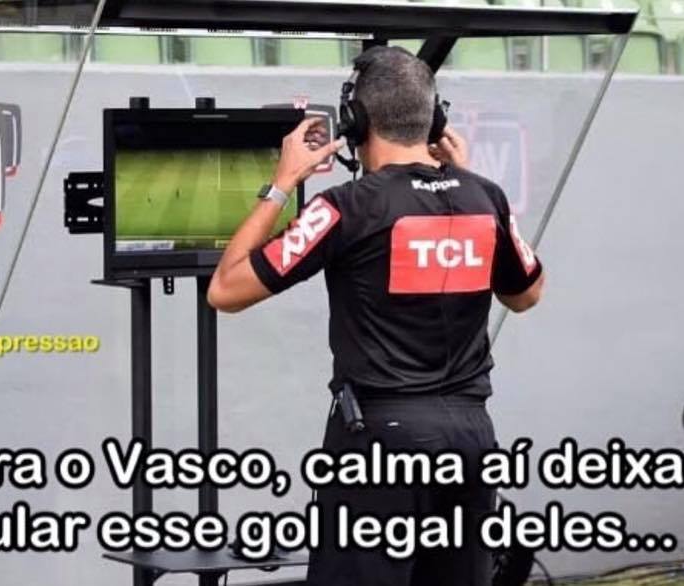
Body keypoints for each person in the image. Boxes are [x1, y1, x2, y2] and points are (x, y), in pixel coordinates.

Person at [208, 46, 544, 586]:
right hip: (472, 438)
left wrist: (282, 183)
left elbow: (225, 289)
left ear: (356, 120)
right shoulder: (485, 196)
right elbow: (526, 295)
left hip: (379, 442)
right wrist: (469, 186)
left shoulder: (345, 206)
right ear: (434, 120)